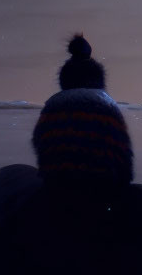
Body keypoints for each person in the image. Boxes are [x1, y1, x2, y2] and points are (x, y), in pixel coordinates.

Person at [32, 33, 134, 194]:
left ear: (65, 80)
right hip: (103, 188)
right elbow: (123, 154)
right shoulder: (108, 108)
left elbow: (39, 145)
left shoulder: (52, 107)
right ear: (98, 79)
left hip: (57, 186)